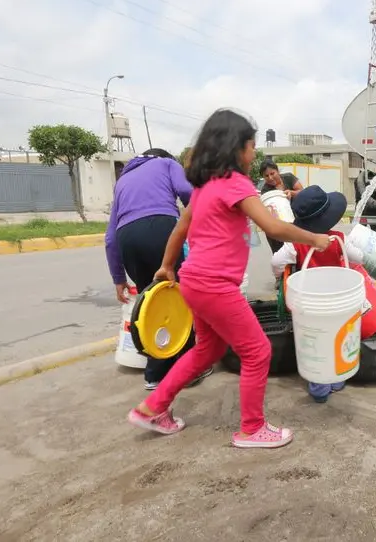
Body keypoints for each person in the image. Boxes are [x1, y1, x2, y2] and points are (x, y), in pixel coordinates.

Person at [126, 108, 331, 448]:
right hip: (214, 284)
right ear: (236, 148)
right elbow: (272, 226)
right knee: (257, 351)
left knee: (208, 349)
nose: (254, 153)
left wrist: (167, 266)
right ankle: (252, 428)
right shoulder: (236, 184)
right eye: (251, 146)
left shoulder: (205, 187)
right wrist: (314, 238)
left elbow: (180, 228)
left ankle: (153, 407)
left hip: (193, 281)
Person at [105, 148, 209, 390]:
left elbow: (110, 237)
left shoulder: (122, 182)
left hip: (126, 239)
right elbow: (188, 193)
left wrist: (118, 278)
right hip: (161, 228)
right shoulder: (165, 164)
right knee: (180, 299)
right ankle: (187, 370)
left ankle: (155, 375)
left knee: (152, 305)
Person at [270, 185, 365, 402]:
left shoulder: (296, 244)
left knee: (314, 339)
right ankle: (336, 378)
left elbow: (275, 262)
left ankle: (319, 386)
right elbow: (358, 257)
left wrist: (280, 275)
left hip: (309, 302)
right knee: (336, 336)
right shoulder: (338, 238)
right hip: (337, 300)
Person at [259, 160, 305, 253]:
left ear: (278, 171)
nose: (270, 178)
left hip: (296, 221)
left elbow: (302, 192)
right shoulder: (265, 190)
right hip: (278, 227)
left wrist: (292, 193)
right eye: (266, 176)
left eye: (272, 173)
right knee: (281, 255)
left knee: (299, 251)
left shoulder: (289, 178)